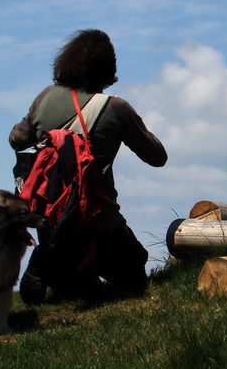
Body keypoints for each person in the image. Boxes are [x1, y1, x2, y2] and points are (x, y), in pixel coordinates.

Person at [9, 29, 167, 301]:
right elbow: (157, 157)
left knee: (76, 285)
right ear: (109, 68)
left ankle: (52, 261)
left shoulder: (46, 96)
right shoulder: (115, 107)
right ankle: (54, 263)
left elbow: (17, 140)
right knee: (134, 269)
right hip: (96, 218)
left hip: (48, 216)